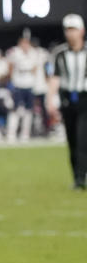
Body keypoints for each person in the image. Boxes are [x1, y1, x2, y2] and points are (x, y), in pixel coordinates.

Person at [47, 13, 87, 190]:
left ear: (82, 31)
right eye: (68, 30)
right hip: (68, 100)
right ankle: (77, 176)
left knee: (82, 138)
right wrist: (50, 100)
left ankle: (81, 178)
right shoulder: (60, 53)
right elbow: (54, 78)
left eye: (74, 29)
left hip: (85, 99)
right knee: (72, 141)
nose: (71, 33)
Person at [5, 30, 46, 142]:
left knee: (28, 110)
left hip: (29, 84)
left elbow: (36, 68)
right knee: (15, 110)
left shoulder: (34, 53)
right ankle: (11, 133)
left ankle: (25, 133)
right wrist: (10, 83)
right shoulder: (14, 52)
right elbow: (10, 67)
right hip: (18, 84)